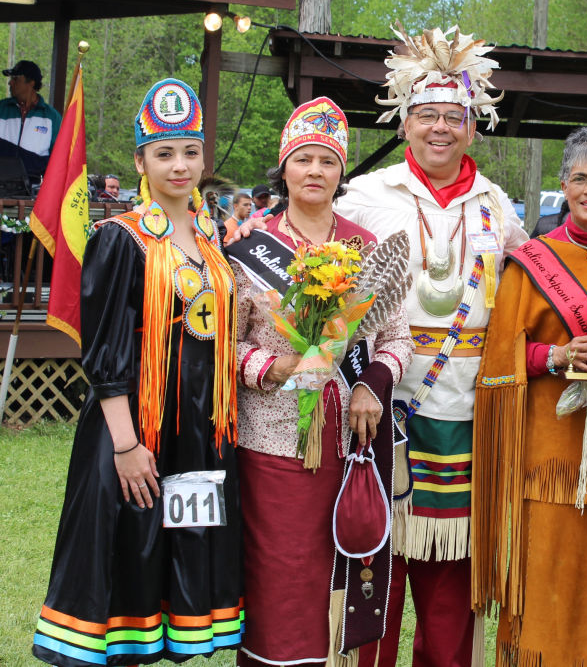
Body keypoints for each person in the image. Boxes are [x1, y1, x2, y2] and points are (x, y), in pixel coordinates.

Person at [333, 24, 528, 667]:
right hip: (380, 409)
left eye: (453, 117)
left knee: (451, 595)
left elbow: (528, 302)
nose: (439, 128)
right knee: (375, 578)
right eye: (426, 115)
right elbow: (330, 305)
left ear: (473, 128)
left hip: (468, 416)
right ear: (405, 121)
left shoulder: (499, 209)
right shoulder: (365, 197)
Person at [32, 78, 242, 666]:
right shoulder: (119, 239)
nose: (180, 165)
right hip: (135, 432)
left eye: (191, 151)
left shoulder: (212, 237)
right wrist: (126, 445)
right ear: (140, 161)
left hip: (196, 433)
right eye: (165, 152)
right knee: (126, 564)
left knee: (170, 570)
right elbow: (103, 351)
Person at [231, 96, 414, 666]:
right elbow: (223, 350)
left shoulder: (364, 247)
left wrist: (370, 386)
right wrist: (273, 368)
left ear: (341, 173)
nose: (315, 171)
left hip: (351, 444)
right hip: (272, 442)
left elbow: (397, 338)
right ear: (283, 168)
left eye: (328, 161)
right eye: (303, 159)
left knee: (344, 571)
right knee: (280, 578)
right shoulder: (245, 248)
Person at [473, 126, 587, 665]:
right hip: (545, 463)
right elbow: (498, 356)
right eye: (580, 178)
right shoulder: (531, 262)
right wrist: (557, 357)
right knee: (540, 584)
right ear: (562, 186)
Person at [0, 60, 61, 184]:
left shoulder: (52, 117)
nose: (10, 83)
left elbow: (60, 159)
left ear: (31, 83)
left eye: (15, 79)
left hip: (34, 193)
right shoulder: (1, 109)